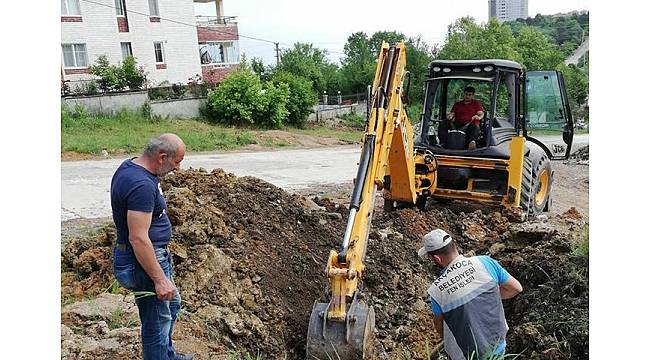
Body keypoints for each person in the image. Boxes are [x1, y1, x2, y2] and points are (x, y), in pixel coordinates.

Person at [110, 133, 193, 360]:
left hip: (150, 256)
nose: (178, 169)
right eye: (176, 162)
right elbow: (138, 238)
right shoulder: (141, 185)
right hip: (142, 262)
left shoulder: (132, 167)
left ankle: (167, 355)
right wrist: (158, 279)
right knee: (156, 322)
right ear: (162, 157)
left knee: (171, 305)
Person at [418, 229, 523, 359]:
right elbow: (516, 288)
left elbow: (440, 327)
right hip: (497, 345)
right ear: (454, 246)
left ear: (437, 258)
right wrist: (486, 296)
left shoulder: (437, 290)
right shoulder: (485, 262)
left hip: (467, 355)